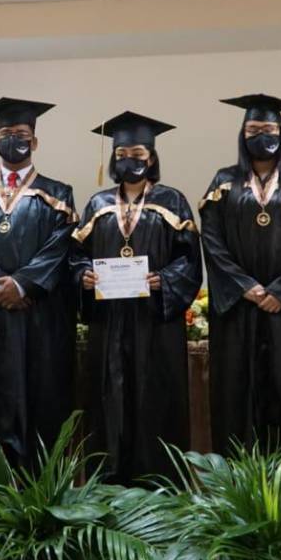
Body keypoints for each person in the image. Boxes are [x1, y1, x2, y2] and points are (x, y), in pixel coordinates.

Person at [71, 111, 202, 483]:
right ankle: (107, 482)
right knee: (108, 398)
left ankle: (159, 484)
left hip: (154, 321)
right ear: (113, 159)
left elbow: (191, 259)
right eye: (123, 153)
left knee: (156, 398)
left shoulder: (173, 202)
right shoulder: (97, 205)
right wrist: (83, 276)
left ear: (153, 157)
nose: (131, 159)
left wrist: (166, 280)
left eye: (139, 152)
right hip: (109, 322)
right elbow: (75, 257)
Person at [0, 97, 78, 468]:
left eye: (21, 134)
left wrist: (23, 284)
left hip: (36, 313)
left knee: (37, 390)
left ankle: (36, 486)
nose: (13, 141)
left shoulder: (58, 194)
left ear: (34, 141)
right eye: (5, 134)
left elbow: (60, 248)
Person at [200, 93, 281, 454]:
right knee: (235, 392)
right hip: (238, 308)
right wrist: (246, 288)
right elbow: (211, 241)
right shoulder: (224, 181)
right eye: (253, 128)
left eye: (269, 128)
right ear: (242, 135)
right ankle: (234, 486)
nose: (260, 134)